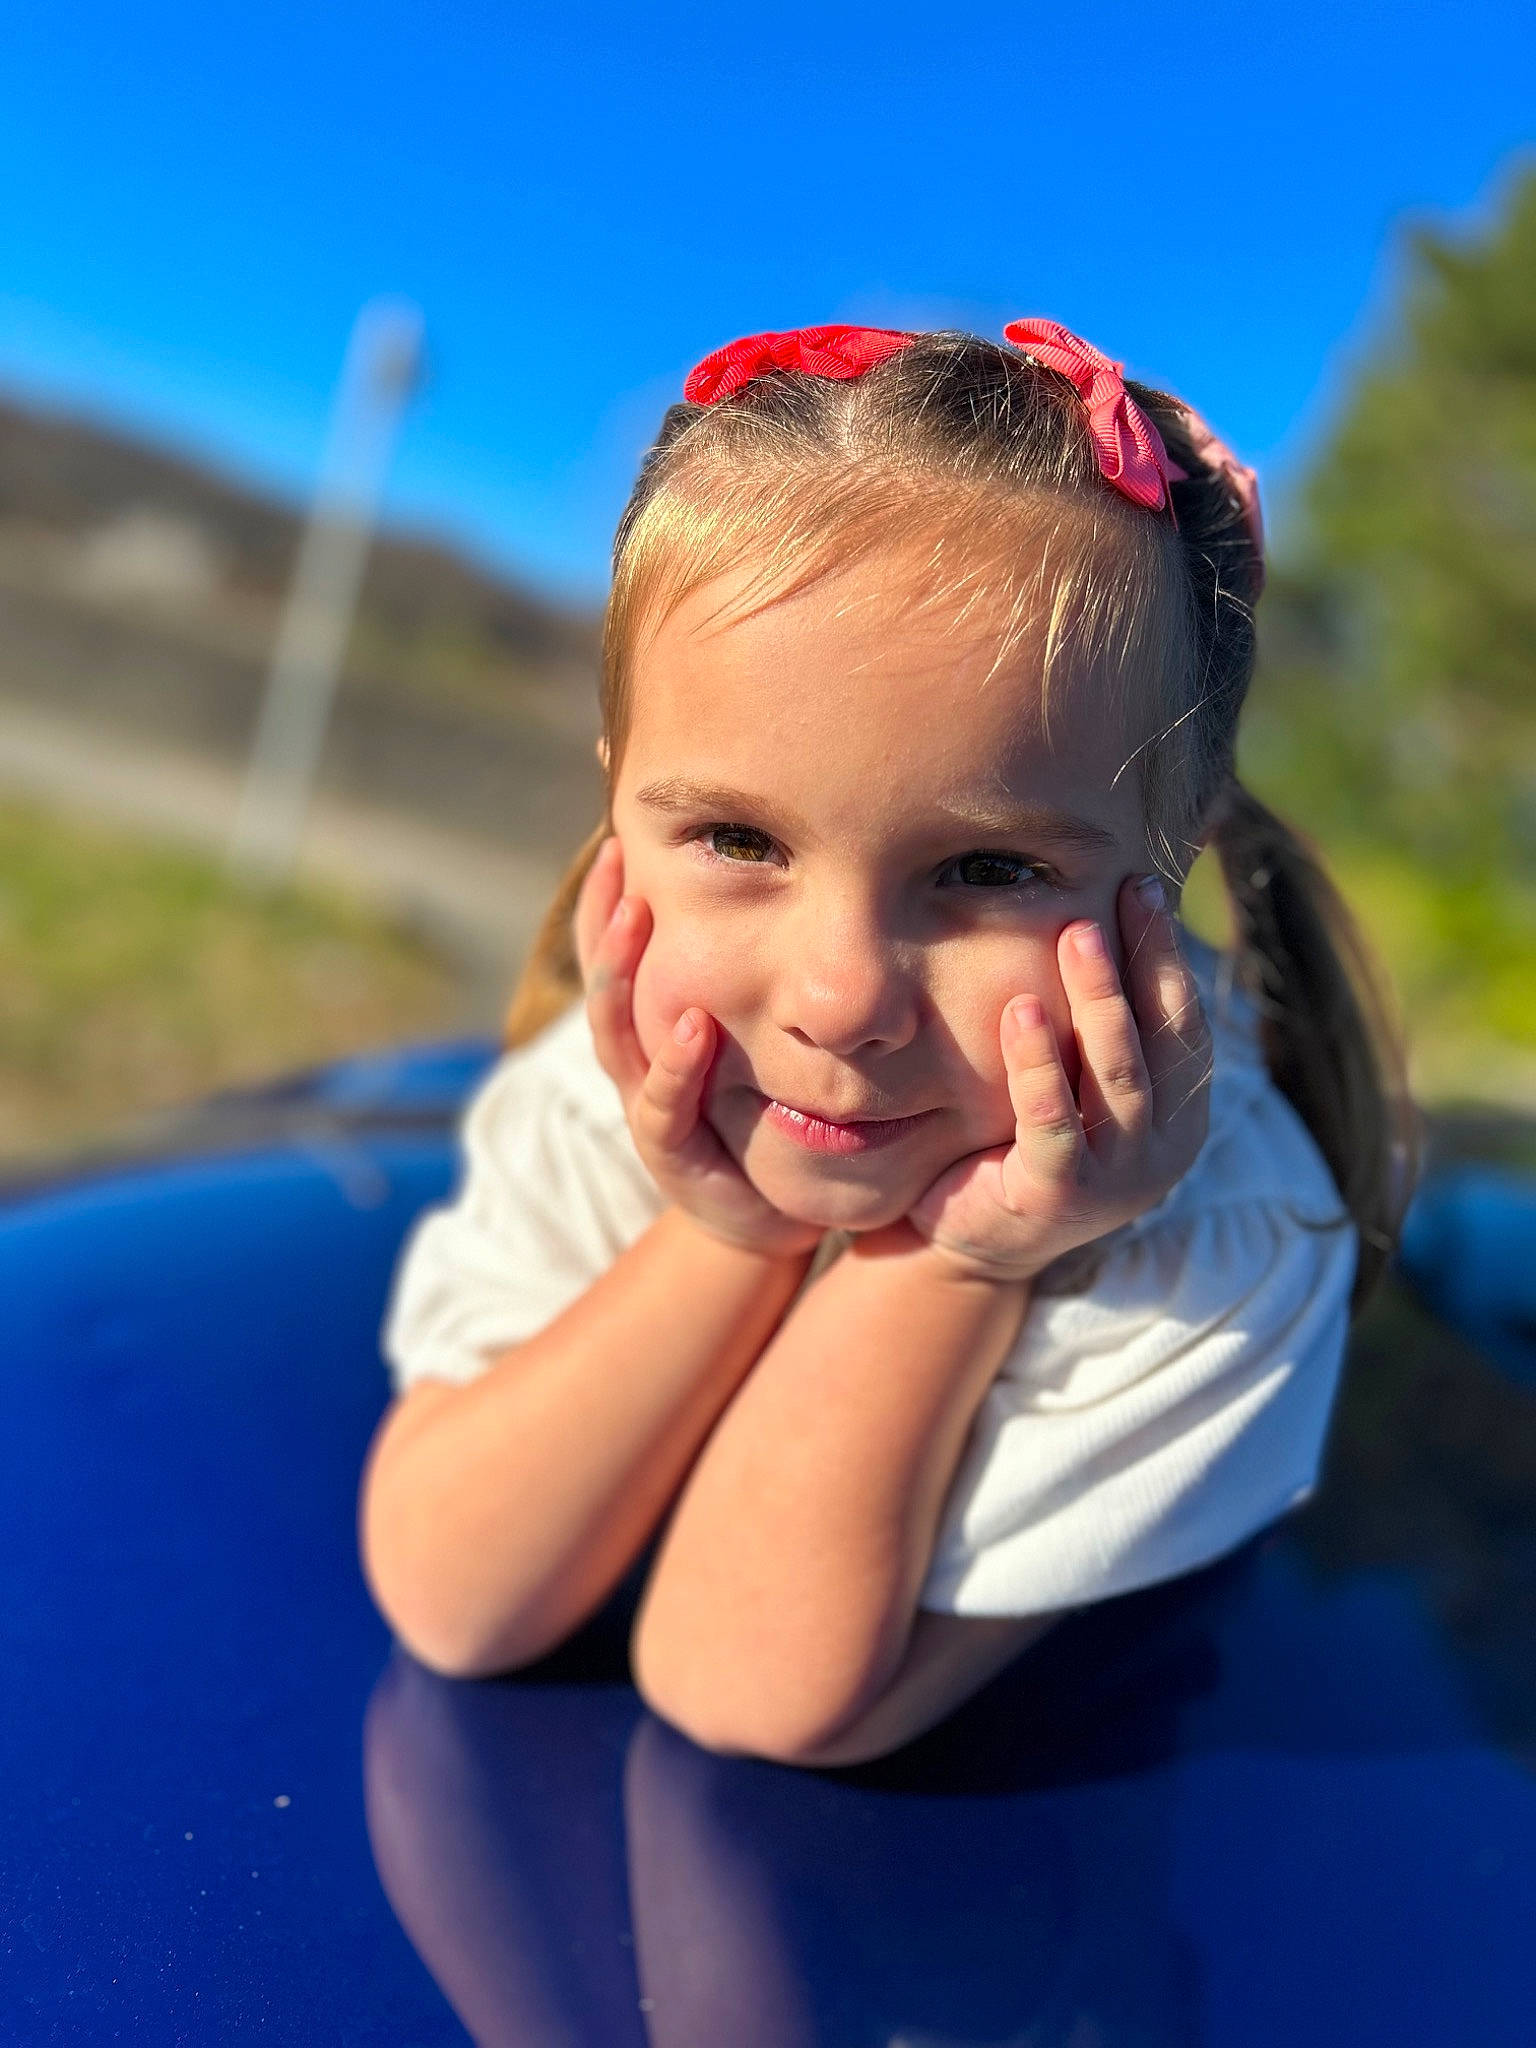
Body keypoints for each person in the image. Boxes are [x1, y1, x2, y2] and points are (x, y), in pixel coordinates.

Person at [358, 318, 1417, 1767]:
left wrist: (982, 1256)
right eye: (737, 837)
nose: (842, 997)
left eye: (986, 871)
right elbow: (458, 1597)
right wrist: (726, 1237)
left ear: (1175, 860)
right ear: (621, 818)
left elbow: (737, 1684)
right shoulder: (618, 1087)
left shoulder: (1223, 1249)